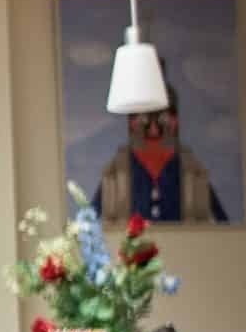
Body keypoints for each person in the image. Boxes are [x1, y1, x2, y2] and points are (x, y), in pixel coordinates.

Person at [93, 64, 229, 225]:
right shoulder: (118, 168)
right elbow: (91, 215)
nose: (154, 130)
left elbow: (221, 220)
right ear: (131, 123)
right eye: (144, 120)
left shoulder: (190, 167)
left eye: (162, 119)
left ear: (175, 121)